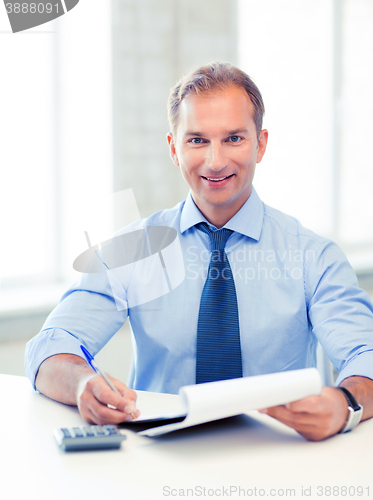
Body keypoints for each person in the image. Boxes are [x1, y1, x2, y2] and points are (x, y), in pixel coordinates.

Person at [25, 62, 373, 441]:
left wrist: (346, 403)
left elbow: (364, 354)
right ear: (174, 148)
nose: (215, 161)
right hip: (161, 459)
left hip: (280, 454)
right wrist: (81, 384)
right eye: (197, 140)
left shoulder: (314, 256)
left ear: (261, 144)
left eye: (233, 138)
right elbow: (51, 345)